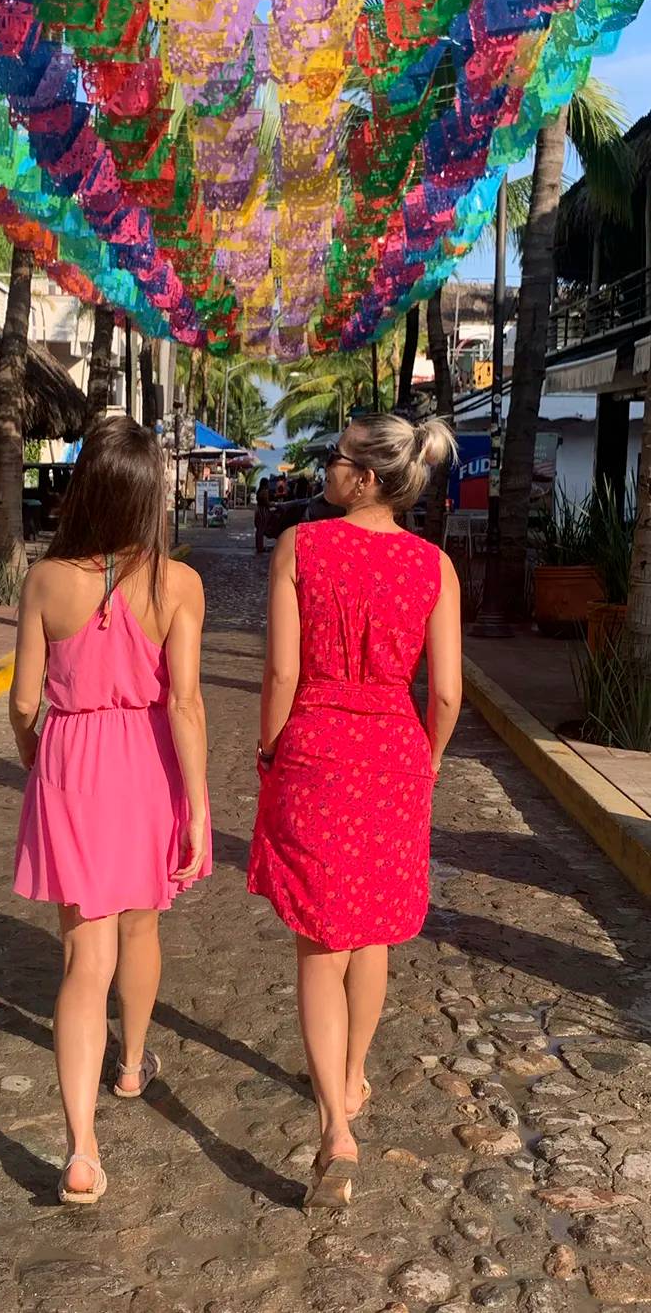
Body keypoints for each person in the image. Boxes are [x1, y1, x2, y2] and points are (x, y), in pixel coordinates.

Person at [248, 414, 462, 1209]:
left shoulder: (302, 548)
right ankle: (355, 1073)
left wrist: (270, 751)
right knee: (372, 929)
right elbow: (444, 691)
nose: (326, 470)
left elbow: (279, 672)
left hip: (315, 748)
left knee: (317, 942)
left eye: (334, 459)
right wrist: (431, 755)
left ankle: (335, 1123)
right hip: (394, 758)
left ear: (365, 477)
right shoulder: (435, 566)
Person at [11, 415, 211, 1206]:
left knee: (81, 959)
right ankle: (131, 1066)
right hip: (146, 766)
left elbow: (25, 701)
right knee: (142, 925)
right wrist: (197, 805)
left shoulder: (45, 580)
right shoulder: (176, 584)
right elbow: (187, 703)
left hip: (71, 762)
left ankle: (82, 1152)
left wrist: (41, 764)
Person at [254, 476, 271, 554]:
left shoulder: (259, 491)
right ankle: (260, 547)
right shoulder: (265, 492)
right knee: (261, 530)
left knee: (259, 530)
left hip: (258, 510)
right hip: (263, 511)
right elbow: (266, 503)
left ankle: (259, 546)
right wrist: (273, 504)